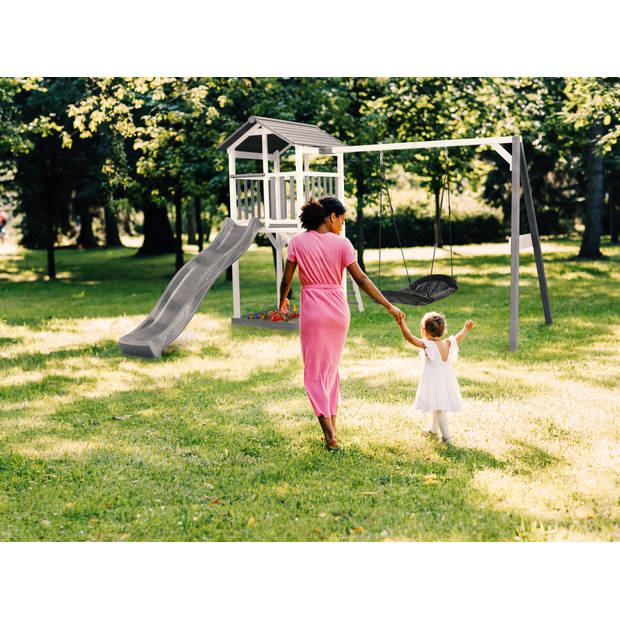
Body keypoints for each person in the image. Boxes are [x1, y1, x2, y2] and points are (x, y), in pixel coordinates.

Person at [279, 197, 405, 451]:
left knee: (315, 373)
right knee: (330, 371)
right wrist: (388, 304)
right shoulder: (343, 244)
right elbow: (361, 279)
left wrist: (281, 303)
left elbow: (286, 279)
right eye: (342, 221)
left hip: (314, 312)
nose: (342, 226)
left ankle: (329, 436)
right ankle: (332, 431)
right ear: (331, 216)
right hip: (338, 312)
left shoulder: (297, 242)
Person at [397, 311, 474, 445]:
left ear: (424, 330)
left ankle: (447, 438)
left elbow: (410, 338)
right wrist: (466, 329)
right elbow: (459, 337)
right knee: (436, 404)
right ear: (443, 330)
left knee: (439, 409)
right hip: (446, 379)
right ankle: (433, 430)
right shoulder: (449, 343)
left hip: (434, 380)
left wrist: (401, 323)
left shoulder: (428, 345)